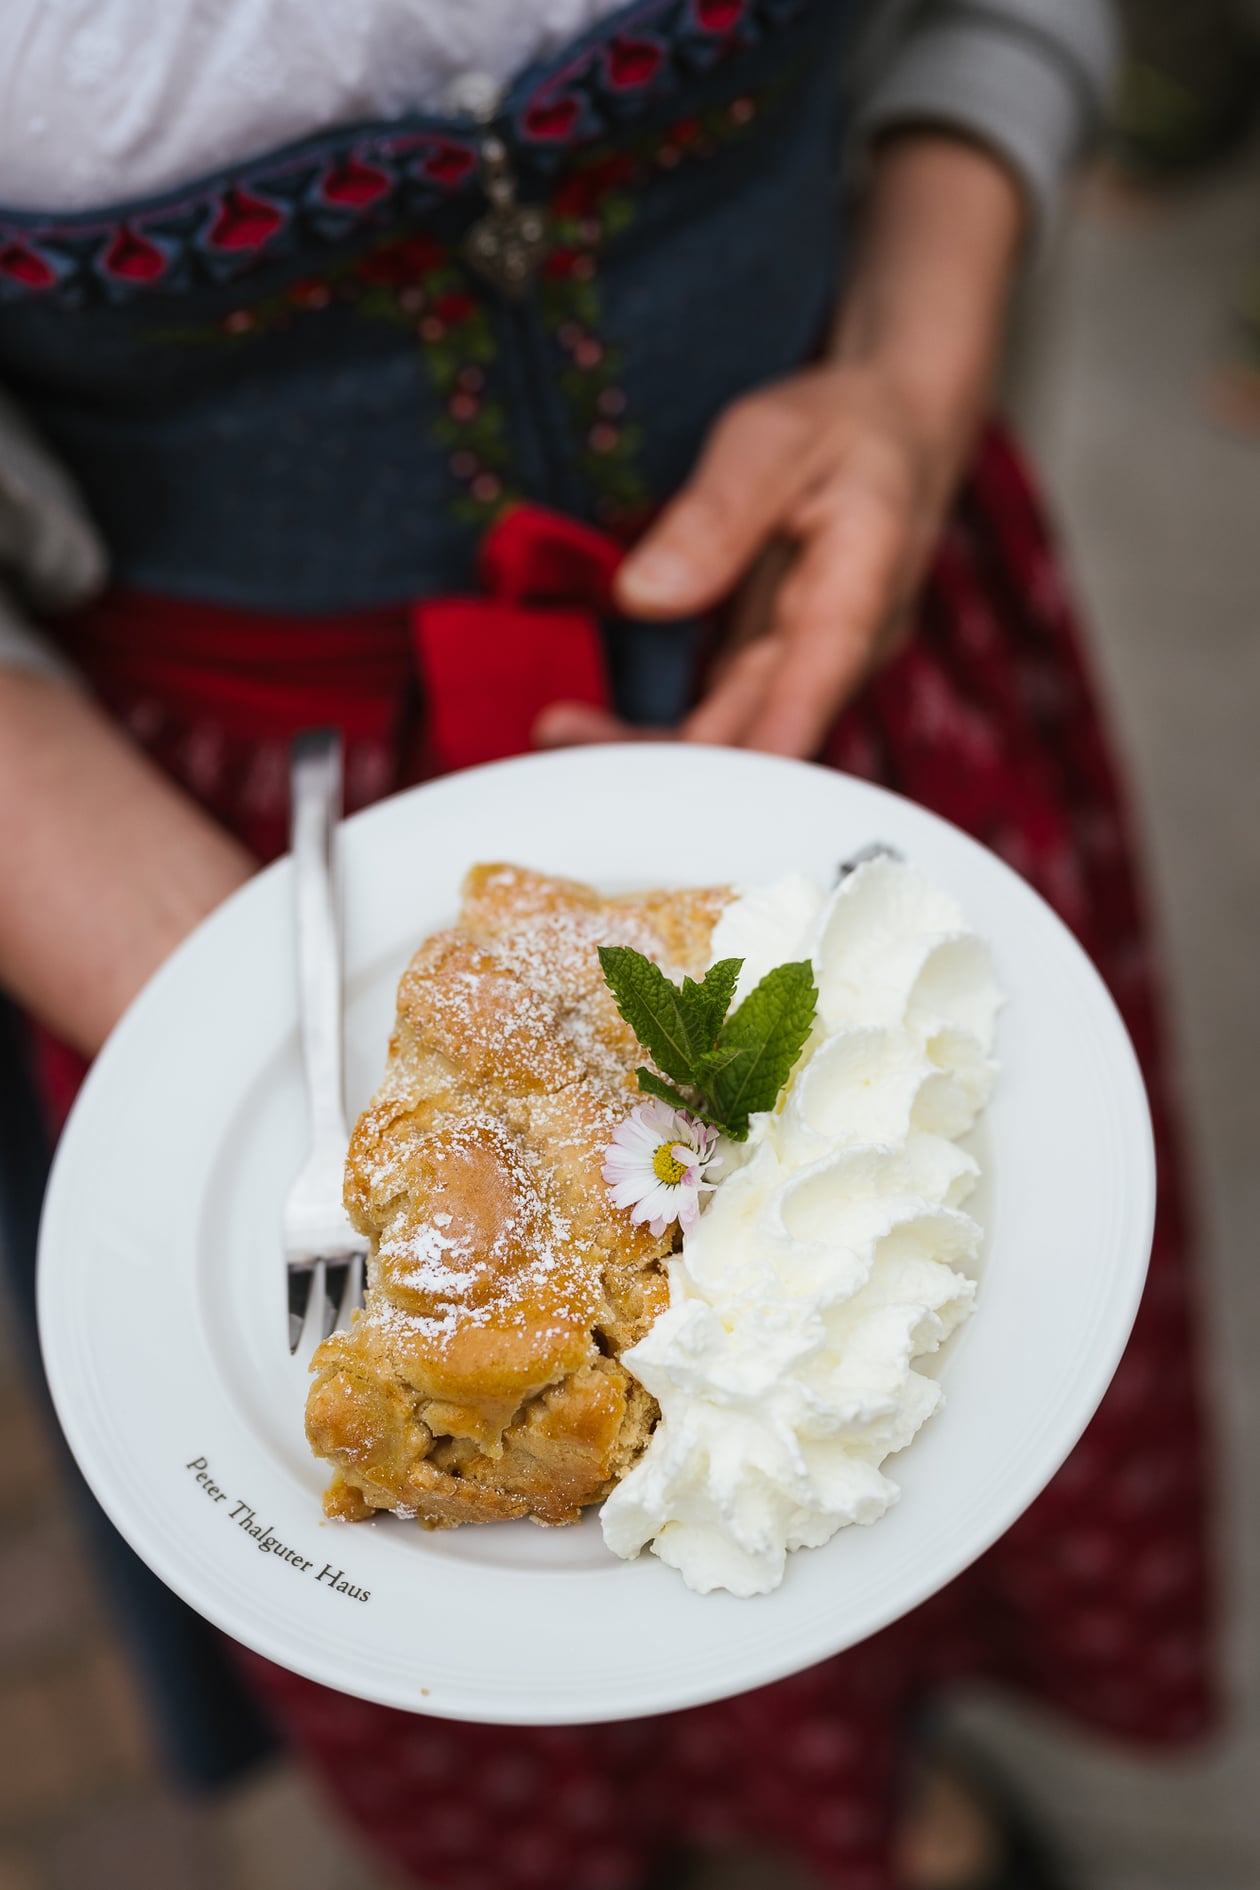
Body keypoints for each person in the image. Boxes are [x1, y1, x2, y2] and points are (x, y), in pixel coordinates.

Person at [0, 4, 1218, 1887]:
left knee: (898, 1357)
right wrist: (262, 1038)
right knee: (433, 1545)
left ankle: (875, 1801)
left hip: (832, 678)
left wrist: (912, 351)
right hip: (196, 850)